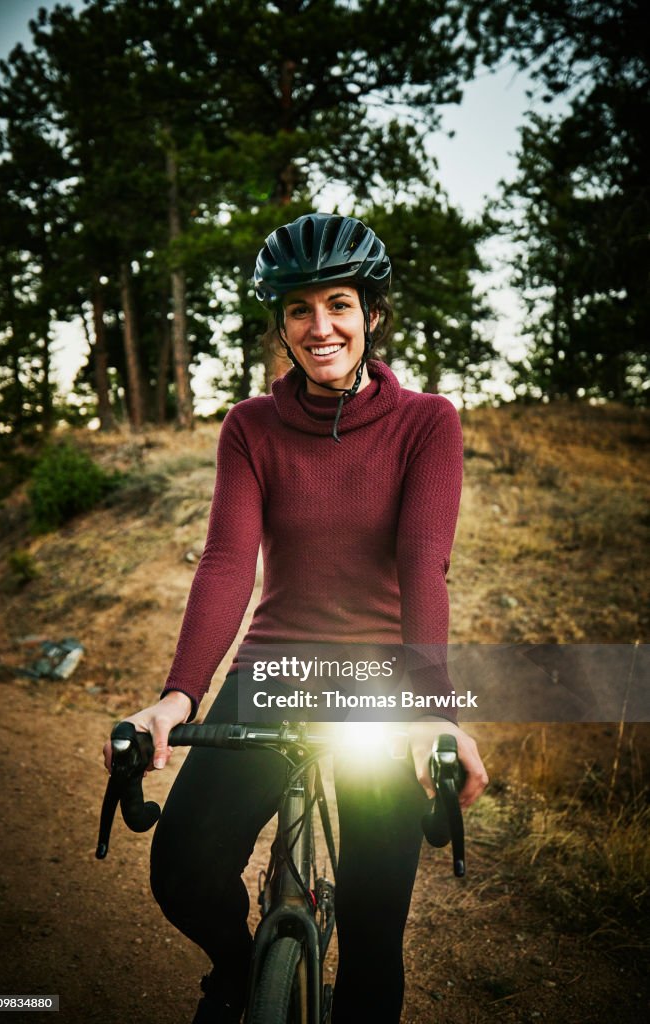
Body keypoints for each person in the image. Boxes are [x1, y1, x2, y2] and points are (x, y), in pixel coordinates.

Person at [104, 213, 488, 1023]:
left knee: (375, 939)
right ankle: (239, 973)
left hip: (380, 680)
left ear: (371, 313)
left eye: (339, 304)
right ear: (279, 322)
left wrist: (431, 710)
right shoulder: (249, 427)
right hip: (275, 670)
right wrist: (178, 697)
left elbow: (425, 563)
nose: (321, 327)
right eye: (300, 308)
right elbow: (225, 564)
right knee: (183, 869)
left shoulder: (428, 422)